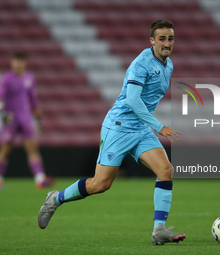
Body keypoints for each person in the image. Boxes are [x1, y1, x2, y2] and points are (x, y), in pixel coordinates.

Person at [38, 20, 185, 245]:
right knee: (101, 185)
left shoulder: (169, 65)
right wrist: (159, 126)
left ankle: (159, 230)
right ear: (152, 41)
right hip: (119, 126)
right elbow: (133, 100)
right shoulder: (141, 64)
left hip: (140, 129)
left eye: (170, 38)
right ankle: (55, 199)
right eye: (162, 38)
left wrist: (149, 126)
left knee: (165, 170)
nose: (167, 43)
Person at [0, 52, 54, 190]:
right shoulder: (6, 79)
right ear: (12, 63)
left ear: (25, 63)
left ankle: (40, 179)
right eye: (16, 61)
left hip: (26, 118)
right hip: (11, 119)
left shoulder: (29, 78)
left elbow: (33, 99)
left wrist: (38, 119)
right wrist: (3, 114)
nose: (18, 64)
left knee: (32, 148)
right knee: (5, 148)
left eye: (21, 61)